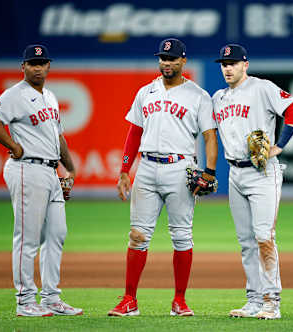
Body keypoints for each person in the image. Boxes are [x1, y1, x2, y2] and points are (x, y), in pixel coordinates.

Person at [107, 38, 218, 317]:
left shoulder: (198, 95)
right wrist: (124, 170)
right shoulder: (146, 92)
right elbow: (134, 133)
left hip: (180, 169)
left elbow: (209, 136)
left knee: (182, 236)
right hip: (146, 168)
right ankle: (129, 300)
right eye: (162, 58)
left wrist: (210, 171)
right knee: (137, 236)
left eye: (171, 59)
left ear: (183, 61)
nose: (166, 63)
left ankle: (179, 300)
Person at [0, 44, 82, 317]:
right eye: (32, 63)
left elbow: (58, 136)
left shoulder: (49, 95)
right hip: (26, 168)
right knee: (28, 238)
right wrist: (13, 146)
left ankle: (50, 298)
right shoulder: (15, 95)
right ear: (22, 67)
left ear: (49, 66)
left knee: (56, 234)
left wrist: (68, 168)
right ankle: (25, 301)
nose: (37, 67)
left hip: (50, 170)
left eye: (42, 63)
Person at [212, 44, 293, 320]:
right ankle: (253, 300)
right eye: (223, 63)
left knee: (264, 236)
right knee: (246, 241)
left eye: (233, 63)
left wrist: (279, 146)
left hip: (263, 171)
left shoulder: (262, 88)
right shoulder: (218, 98)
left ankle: (271, 301)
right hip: (235, 172)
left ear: (245, 65)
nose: (227, 68)